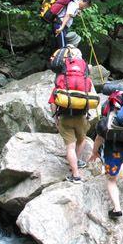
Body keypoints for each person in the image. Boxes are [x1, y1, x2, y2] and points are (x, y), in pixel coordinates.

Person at [48, 50, 91, 184]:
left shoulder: (61, 77)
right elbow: (87, 96)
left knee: (70, 147)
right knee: (82, 140)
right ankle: (77, 161)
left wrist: (55, 118)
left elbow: (53, 101)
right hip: (81, 116)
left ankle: (76, 175)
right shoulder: (86, 79)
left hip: (66, 116)